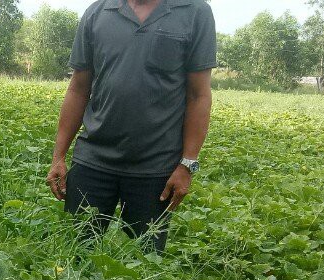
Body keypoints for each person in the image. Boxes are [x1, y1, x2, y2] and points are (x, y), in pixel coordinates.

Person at [46, 0, 216, 252]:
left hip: (155, 168)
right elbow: (78, 88)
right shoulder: (97, 12)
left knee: (146, 262)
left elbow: (198, 95)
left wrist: (187, 163)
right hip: (93, 160)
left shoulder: (194, 12)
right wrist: (58, 156)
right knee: (76, 253)